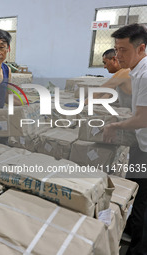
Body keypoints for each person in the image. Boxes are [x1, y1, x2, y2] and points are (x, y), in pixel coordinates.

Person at [103, 23, 147, 255]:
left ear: (141, 48)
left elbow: (142, 118)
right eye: (116, 50)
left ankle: (139, 250)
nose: (118, 55)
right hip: (141, 144)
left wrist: (115, 125)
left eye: (123, 50)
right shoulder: (136, 71)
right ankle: (129, 228)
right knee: (135, 189)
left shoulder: (145, 73)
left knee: (143, 201)